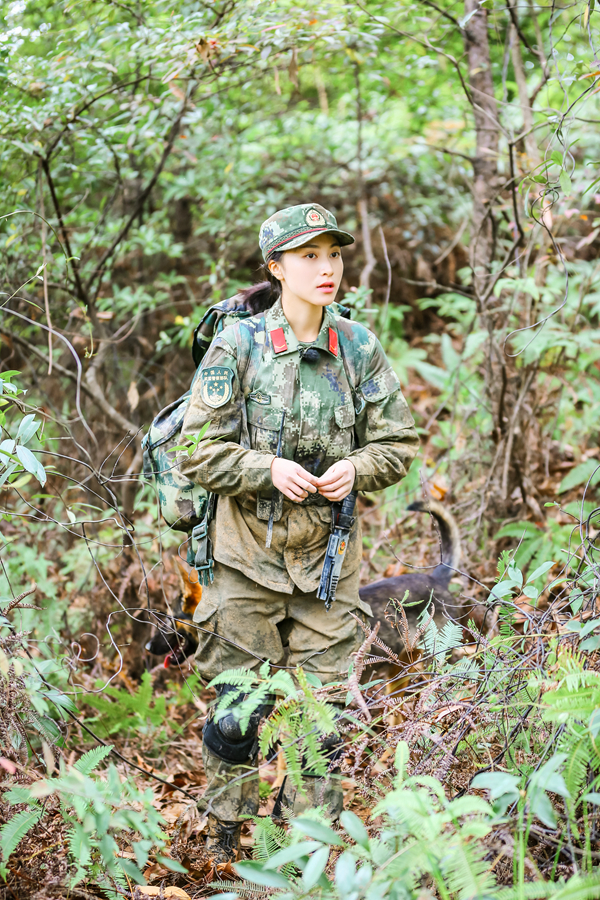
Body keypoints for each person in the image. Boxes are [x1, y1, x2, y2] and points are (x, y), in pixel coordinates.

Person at [178, 202, 419, 861]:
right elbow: (195, 447)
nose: (327, 268)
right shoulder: (240, 346)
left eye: (334, 255)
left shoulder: (358, 346)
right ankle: (225, 837)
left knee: (320, 730)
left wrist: (356, 467)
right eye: (309, 256)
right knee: (237, 717)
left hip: (326, 570)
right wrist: (266, 468)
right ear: (275, 268)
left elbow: (398, 443)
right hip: (243, 563)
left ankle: (298, 851)